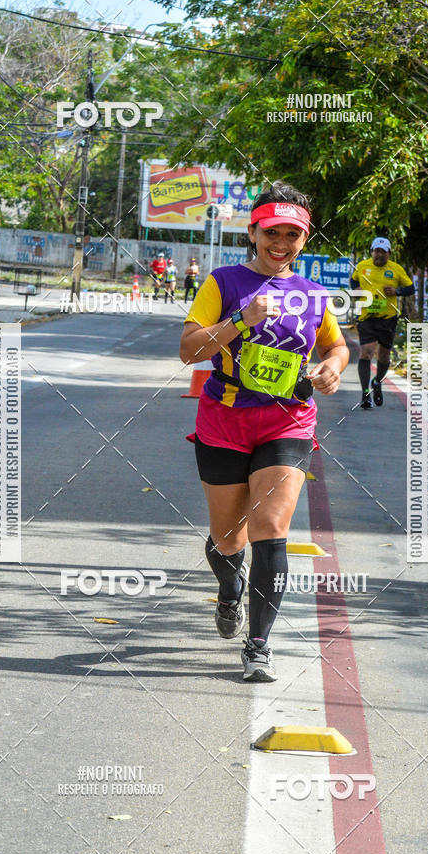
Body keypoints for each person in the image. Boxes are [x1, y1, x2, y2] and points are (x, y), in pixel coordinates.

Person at [179, 181, 349, 682]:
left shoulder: (313, 294)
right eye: (272, 232)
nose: (282, 242)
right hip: (225, 419)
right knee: (228, 538)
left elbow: (336, 348)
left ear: (304, 239)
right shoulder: (223, 283)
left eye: (292, 234)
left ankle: (258, 646)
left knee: (270, 529)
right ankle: (229, 590)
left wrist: (332, 367)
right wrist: (239, 319)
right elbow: (189, 351)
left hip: (288, 420)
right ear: (252, 233)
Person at [350, 237, 414, 409]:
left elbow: (410, 288)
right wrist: (356, 289)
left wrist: (397, 291)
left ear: (388, 254)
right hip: (367, 317)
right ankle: (365, 393)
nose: (379, 254)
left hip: (388, 319)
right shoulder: (363, 266)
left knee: (384, 355)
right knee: (367, 353)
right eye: (376, 251)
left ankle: (377, 382)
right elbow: (354, 279)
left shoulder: (396, 269)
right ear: (372, 252)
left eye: (382, 252)